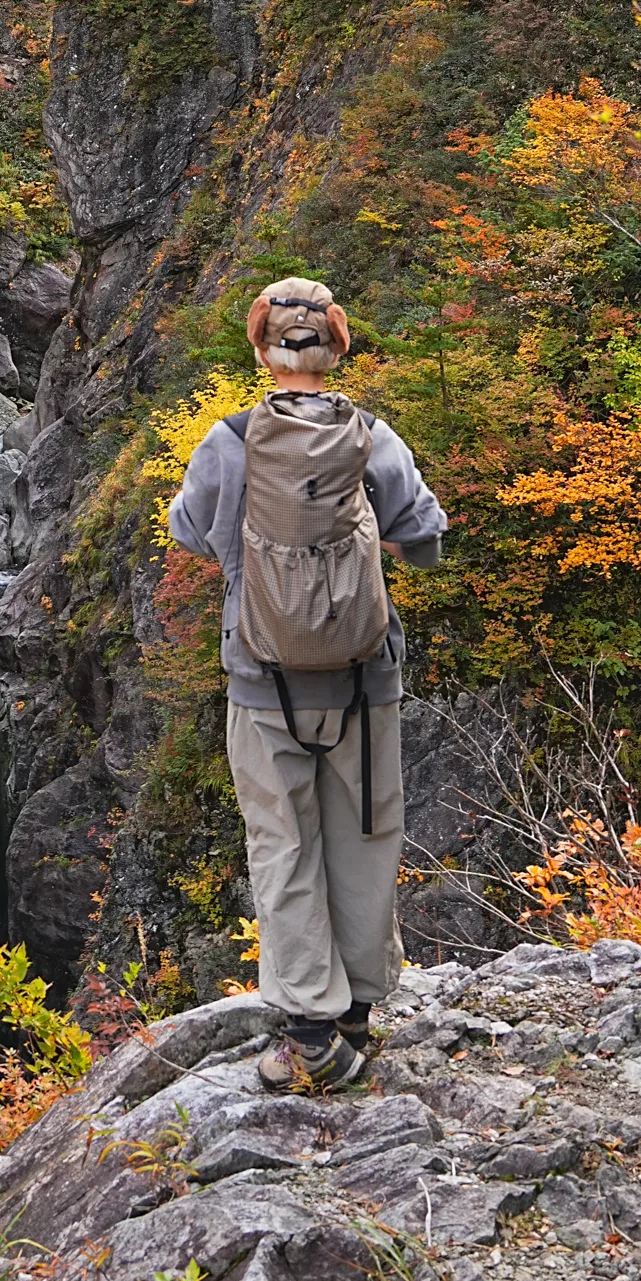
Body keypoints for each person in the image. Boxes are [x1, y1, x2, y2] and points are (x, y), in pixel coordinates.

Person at [168, 277, 447, 1094]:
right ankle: (358, 1013)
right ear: (337, 348)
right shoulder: (373, 436)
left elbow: (191, 532)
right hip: (365, 677)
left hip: (263, 677)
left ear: (261, 351)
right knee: (364, 834)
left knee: (283, 846)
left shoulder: (229, 439)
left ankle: (311, 1035)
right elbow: (425, 540)